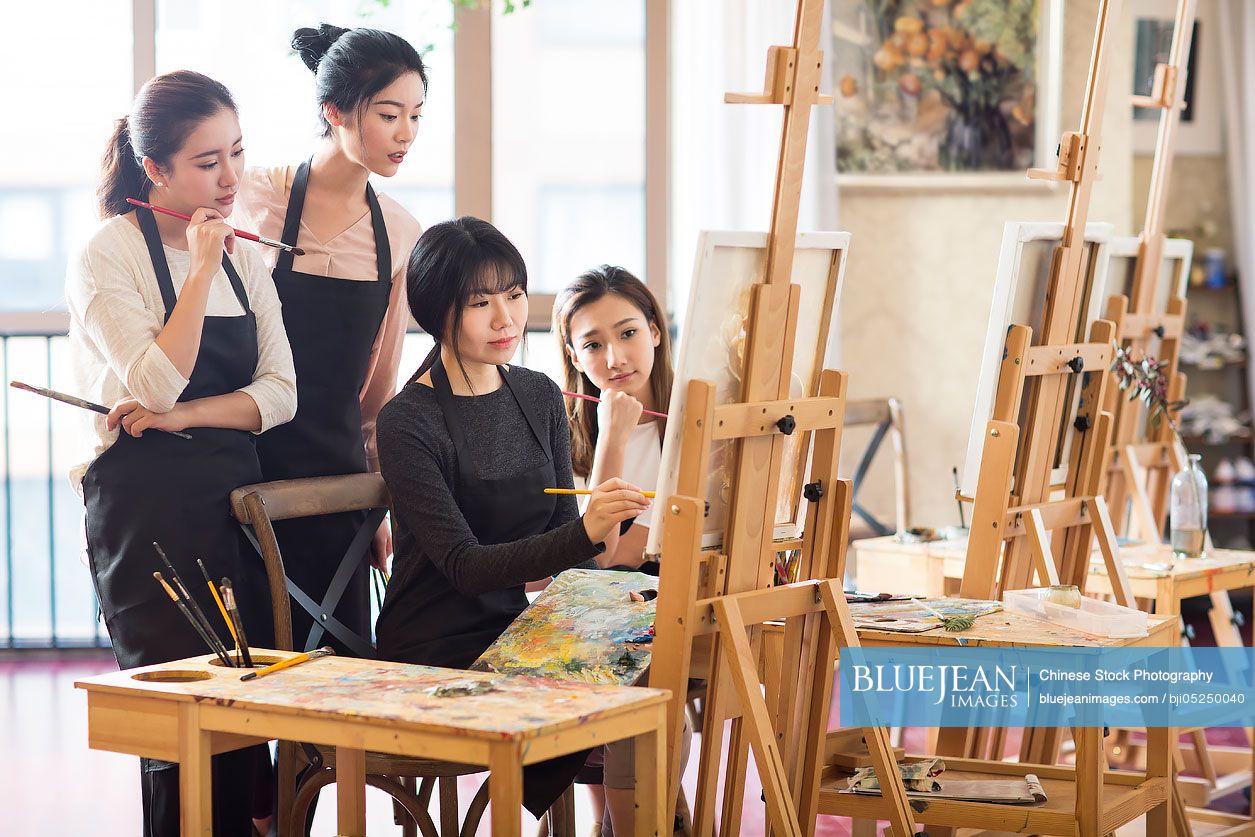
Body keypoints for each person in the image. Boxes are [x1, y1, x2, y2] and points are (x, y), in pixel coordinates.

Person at [67, 70, 296, 835]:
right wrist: (199, 267)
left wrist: (192, 413)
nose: (231, 179)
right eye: (207, 162)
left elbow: (281, 394)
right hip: (145, 518)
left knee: (245, 728)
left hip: (233, 510)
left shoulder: (248, 259)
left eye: (237, 153)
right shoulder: (109, 254)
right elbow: (153, 385)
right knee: (181, 736)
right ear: (153, 168)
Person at [374, 217, 649, 819]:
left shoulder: (539, 394)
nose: (506, 319)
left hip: (514, 631)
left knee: (651, 668)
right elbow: (465, 568)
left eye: (515, 295)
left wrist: (601, 530)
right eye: (480, 302)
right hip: (432, 648)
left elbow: (566, 555)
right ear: (437, 309)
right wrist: (586, 528)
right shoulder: (408, 420)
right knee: (618, 694)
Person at [234, 23, 426, 656]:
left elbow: (377, 386)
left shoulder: (398, 231)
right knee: (247, 668)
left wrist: (375, 496)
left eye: (416, 116)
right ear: (335, 112)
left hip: (336, 486)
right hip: (245, 470)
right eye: (390, 114)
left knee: (338, 676)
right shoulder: (255, 197)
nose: (406, 134)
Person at [553, 265, 673, 571]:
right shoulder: (562, 436)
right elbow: (597, 561)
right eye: (593, 345)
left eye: (628, 333)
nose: (615, 359)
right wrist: (612, 437)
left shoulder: (700, 421)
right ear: (575, 357)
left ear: (655, 331)